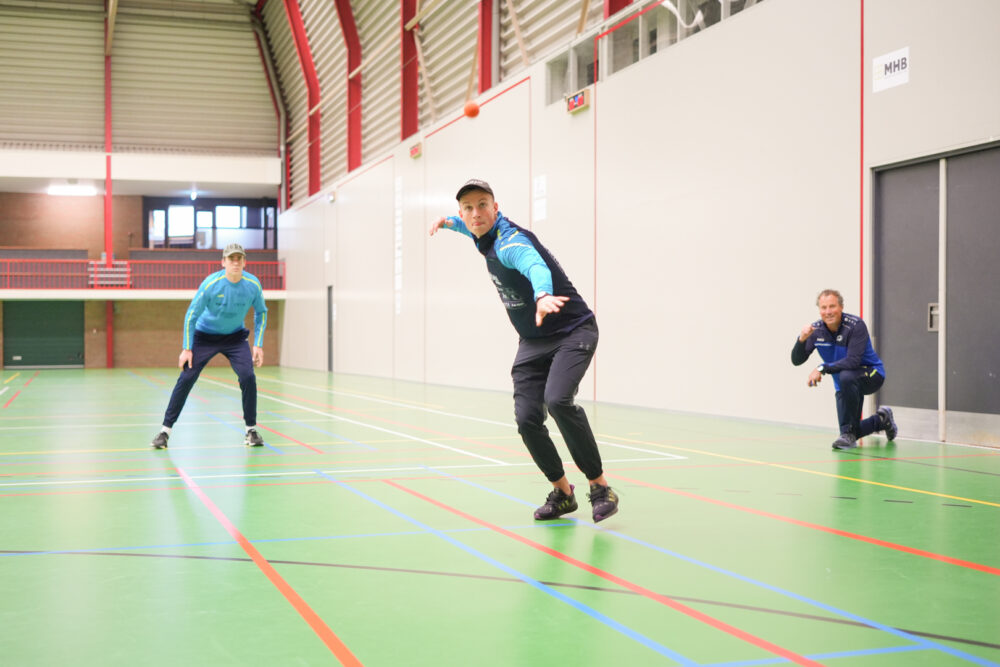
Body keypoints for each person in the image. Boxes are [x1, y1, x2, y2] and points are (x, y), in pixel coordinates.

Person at [429, 178, 619, 522]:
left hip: (573, 331)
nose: (475, 213)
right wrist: (450, 224)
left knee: (558, 400)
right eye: (468, 208)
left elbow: (533, 264)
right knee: (527, 419)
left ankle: (600, 486)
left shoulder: (510, 242)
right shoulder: (479, 231)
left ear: (496, 208)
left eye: (482, 205)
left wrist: (543, 294)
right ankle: (563, 493)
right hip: (533, 342)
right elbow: (470, 227)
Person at [150, 243, 268, 449]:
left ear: (244, 262)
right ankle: (164, 432)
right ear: (223, 262)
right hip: (204, 337)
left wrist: (258, 344)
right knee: (187, 377)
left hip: (235, 338)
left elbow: (261, 312)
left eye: (239, 258)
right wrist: (187, 348)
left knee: (248, 376)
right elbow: (191, 315)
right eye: (231, 259)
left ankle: (251, 431)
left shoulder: (253, 285)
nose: (235, 262)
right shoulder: (211, 284)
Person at [791, 289, 898, 450]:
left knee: (847, 376)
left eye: (832, 306)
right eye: (824, 307)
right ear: (819, 310)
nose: (828, 312)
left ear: (841, 307)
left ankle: (861, 428)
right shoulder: (816, 331)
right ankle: (881, 420)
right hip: (843, 383)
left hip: (872, 375)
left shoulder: (855, 325)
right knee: (847, 434)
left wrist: (822, 368)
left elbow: (853, 361)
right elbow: (797, 360)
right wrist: (801, 340)